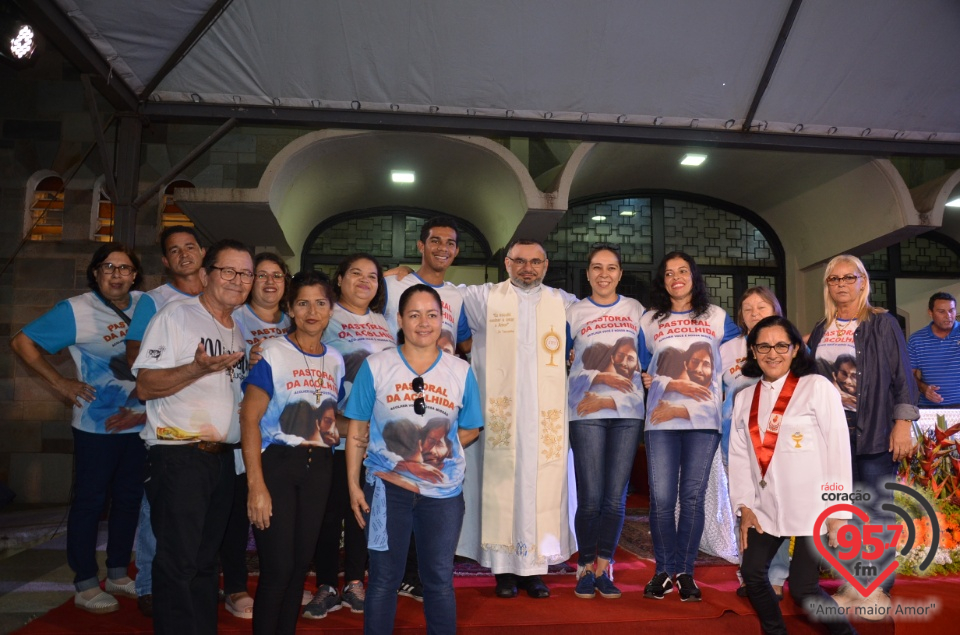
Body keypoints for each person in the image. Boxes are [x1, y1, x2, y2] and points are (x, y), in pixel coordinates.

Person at [11, 242, 145, 614]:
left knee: (129, 501)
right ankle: (85, 582)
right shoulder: (76, 310)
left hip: (140, 424)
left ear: (135, 275)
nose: (117, 274)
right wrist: (60, 384)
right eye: (108, 267)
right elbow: (22, 342)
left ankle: (118, 572)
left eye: (124, 268)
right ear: (96, 273)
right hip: (96, 427)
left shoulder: (145, 306)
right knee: (90, 503)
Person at [345, 284, 483, 635]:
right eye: (414, 314)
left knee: (438, 578)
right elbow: (358, 429)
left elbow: (470, 429)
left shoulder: (461, 371)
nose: (424, 323)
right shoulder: (376, 366)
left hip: (444, 493)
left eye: (432, 315)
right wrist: (353, 485)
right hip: (387, 489)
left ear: (442, 320)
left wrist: (436, 455)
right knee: (383, 578)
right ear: (401, 321)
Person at [133, 239, 253, 635]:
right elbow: (146, 386)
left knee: (205, 563)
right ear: (206, 274)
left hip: (220, 459)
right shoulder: (178, 315)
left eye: (246, 273)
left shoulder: (236, 329)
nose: (239, 280)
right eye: (229, 271)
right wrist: (195, 369)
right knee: (178, 563)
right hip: (179, 455)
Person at [455, 238, 578, 599]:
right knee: (501, 488)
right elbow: (440, 295)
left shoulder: (564, 303)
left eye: (536, 262)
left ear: (546, 265)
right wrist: (399, 274)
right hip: (501, 418)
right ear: (507, 263)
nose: (528, 268)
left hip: (546, 419)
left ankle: (534, 571)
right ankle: (503, 571)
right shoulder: (483, 298)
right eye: (520, 261)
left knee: (540, 489)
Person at [807, 254, 918, 616]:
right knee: (841, 511)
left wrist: (902, 423)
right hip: (832, 440)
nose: (840, 284)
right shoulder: (821, 329)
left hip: (873, 434)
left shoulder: (883, 324)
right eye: (833, 279)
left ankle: (877, 591)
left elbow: (902, 376)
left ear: (862, 281)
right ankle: (853, 586)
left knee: (875, 510)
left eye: (847, 278)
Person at [730, 315, 856, 635]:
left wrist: (838, 514)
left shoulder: (816, 387)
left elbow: (837, 451)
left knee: (804, 590)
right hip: (766, 506)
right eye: (764, 346)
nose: (773, 353)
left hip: (814, 507)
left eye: (781, 345)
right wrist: (744, 506)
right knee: (753, 573)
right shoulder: (744, 399)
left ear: (796, 349)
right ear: (753, 352)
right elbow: (740, 457)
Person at [241, 271, 344, 635]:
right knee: (278, 568)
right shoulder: (273, 352)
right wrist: (256, 485)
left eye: (320, 303)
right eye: (303, 303)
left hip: (321, 469)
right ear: (290, 308)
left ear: (331, 310)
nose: (312, 311)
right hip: (279, 466)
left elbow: (333, 422)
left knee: (301, 567)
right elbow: (249, 418)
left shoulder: (335, 359)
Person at [639, 251, 739, 601]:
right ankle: (662, 571)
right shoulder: (650, 320)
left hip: (703, 421)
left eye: (682, 271)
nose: (676, 278)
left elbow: (740, 356)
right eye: (668, 273)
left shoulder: (717, 317)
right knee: (663, 500)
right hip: (661, 420)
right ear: (662, 281)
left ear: (694, 276)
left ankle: (685, 572)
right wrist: (643, 375)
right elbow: (633, 361)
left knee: (692, 499)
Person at [381, 216, 472, 601]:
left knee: (434, 487)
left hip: (440, 408)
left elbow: (466, 345)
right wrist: (386, 272)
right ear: (421, 245)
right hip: (398, 402)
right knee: (400, 486)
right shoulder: (393, 284)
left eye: (450, 243)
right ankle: (395, 573)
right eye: (435, 241)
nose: (443, 248)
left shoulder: (458, 296)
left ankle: (421, 576)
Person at [303, 253, 395, 619]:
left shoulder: (383, 323)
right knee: (329, 512)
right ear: (338, 279)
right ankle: (326, 584)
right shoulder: (327, 316)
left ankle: (355, 581)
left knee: (363, 512)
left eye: (372, 276)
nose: (364, 281)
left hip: (375, 439)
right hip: (332, 434)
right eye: (355, 273)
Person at [124, 225, 205, 617]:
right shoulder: (154, 301)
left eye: (190, 247)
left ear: (203, 252)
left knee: (200, 512)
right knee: (158, 508)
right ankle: (149, 585)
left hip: (211, 421)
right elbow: (134, 354)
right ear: (166, 261)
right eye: (175, 250)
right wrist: (176, 376)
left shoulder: (221, 297)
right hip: (169, 419)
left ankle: (195, 581)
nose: (184, 254)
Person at [565, 244, 644, 599]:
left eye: (611, 268)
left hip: (628, 414)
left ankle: (604, 567)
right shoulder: (573, 311)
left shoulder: (636, 310)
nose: (604, 274)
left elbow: (649, 356)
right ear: (587, 274)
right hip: (586, 413)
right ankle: (584, 566)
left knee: (615, 498)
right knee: (591, 497)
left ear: (620, 273)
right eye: (597, 267)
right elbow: (557, 355)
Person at [220, 251, 292, 619]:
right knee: (236, 514)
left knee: (275, 520)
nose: (268, 282)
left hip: (281, 440)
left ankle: (274, 586)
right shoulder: (235, 318)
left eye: (277, 275)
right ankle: (234, 586)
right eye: (260, 275)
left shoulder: (295, 323)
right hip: (240, 429)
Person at [720, 288, 788, 597]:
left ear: (775, 308)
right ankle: (749, 573)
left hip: (780, 443)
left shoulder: (789, 342)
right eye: (747, 309)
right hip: (737, 441)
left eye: (761, 306)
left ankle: (775, 576)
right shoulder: (727, 348)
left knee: (780, 506)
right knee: (744, 505)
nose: (754, 312)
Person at [908, 292, 960, 408]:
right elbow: (908, 375)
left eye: (951, 310)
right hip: (930, 407)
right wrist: (924, 388)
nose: (948, 316)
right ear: (930, 313)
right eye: (941, 311)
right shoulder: (916, 340)